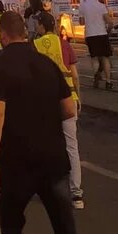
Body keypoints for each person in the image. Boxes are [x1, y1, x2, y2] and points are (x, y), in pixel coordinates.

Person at [0, 12, 90, 234]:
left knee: (12, 230)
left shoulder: (0, 68)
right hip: (53, 161)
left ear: (4, 36)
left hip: (17, 163)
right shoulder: (47, 64)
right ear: (26, 33)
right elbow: (69, 109)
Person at [34, 11, 84, 209]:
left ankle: (52, 190)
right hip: (69, 101)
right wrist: (78, 97)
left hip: (46, 103)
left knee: (47, 147)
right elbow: (74, 74)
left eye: (37, 24)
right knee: (72, 147)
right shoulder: (65, 44)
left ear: (41, 25)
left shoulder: (35, 46)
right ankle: (76, 193)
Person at [79, 0, 112, 91]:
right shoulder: (101, 6)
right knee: (105, 58)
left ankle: (96, 76)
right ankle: (108, 81)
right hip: (102, 33)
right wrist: (108, 30)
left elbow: (81, 22)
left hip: (90, 34)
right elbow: (109, 21)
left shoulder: (82, 6)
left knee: (94, 58)